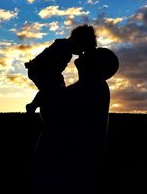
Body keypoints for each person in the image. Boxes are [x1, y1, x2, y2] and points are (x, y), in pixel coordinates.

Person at [29, 47, 119, 194]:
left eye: (93, 53)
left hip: (65, 176)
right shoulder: (91, 88)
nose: (86, 52)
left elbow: (52, 100)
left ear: (97, 65)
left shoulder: (95, 87)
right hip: (65, 172)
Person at [24, 24, 97, 114]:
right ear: (76, 41)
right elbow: (46, 58)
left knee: (60, 92)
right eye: (82, 49)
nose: (80, 53)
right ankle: (32, 106)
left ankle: (46, 106)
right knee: (51, 89)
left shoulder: (66, 49)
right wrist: (33, 63)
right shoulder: (62, 45)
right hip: (39, 70)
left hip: (52, 73)